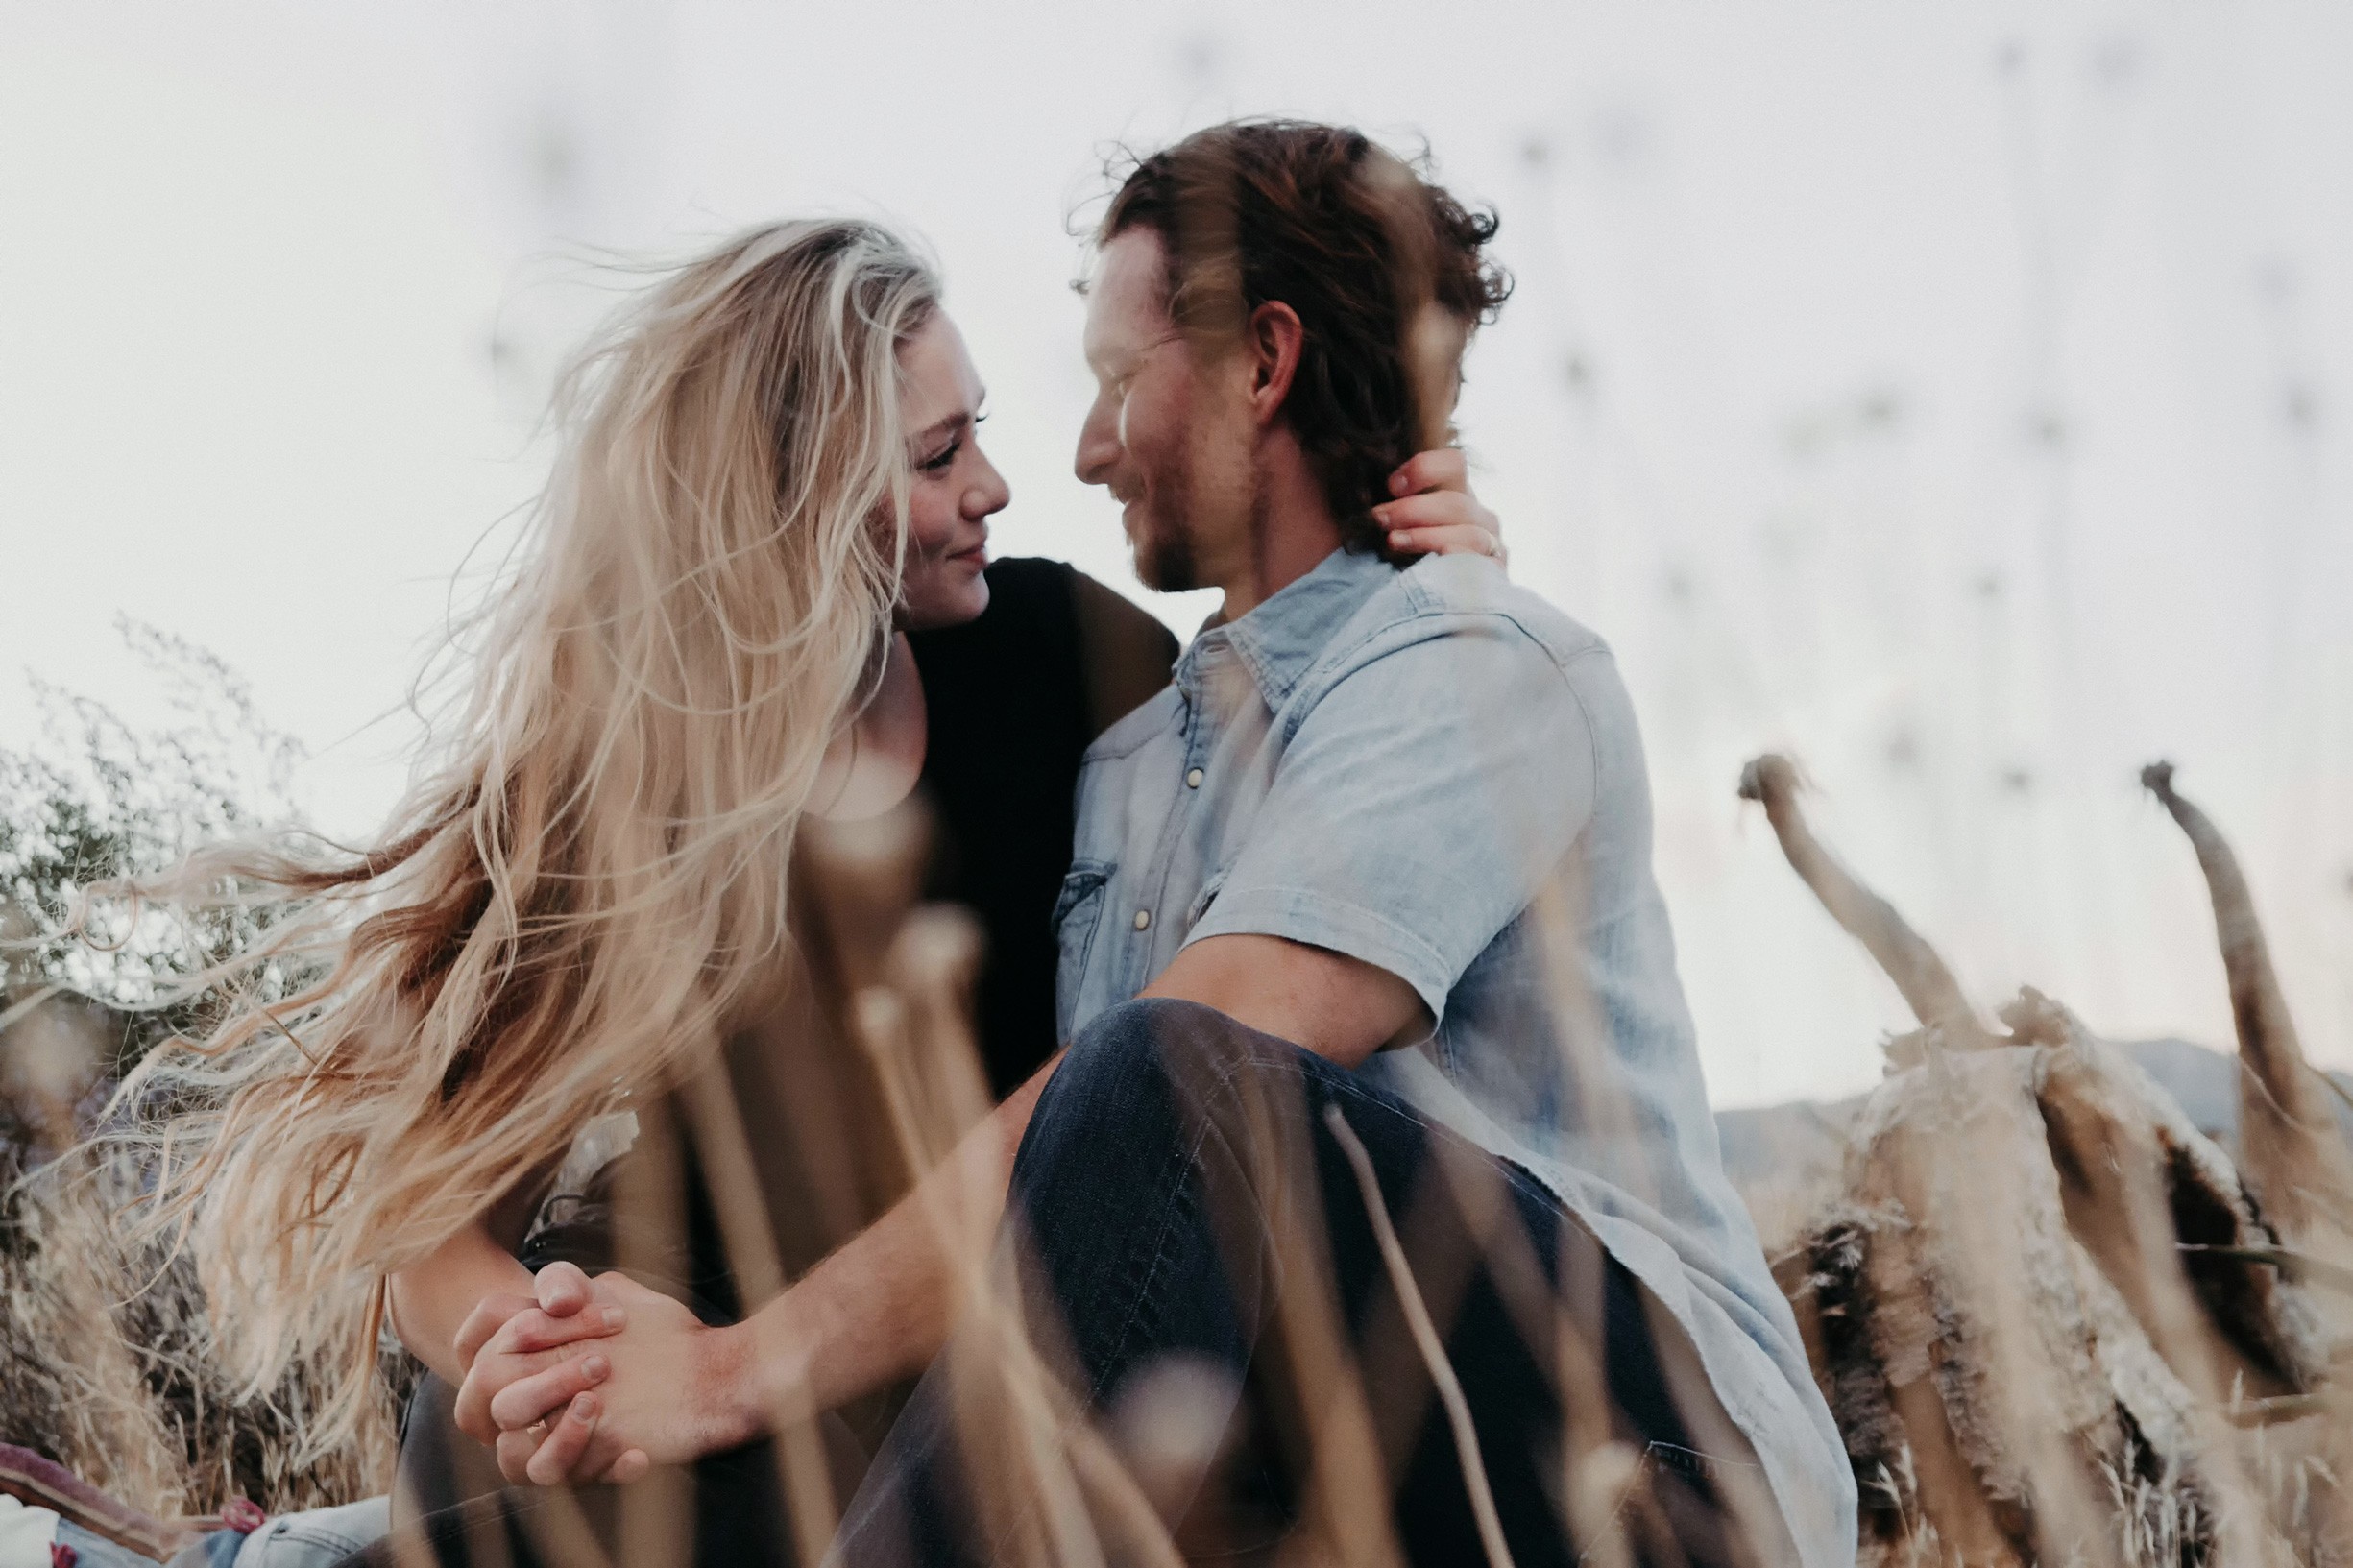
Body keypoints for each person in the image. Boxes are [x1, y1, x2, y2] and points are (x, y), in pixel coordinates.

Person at [460, 123, 1858, 1568]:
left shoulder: (1477, 661)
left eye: (1115, 383)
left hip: (1651, 1465)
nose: (1075, 451)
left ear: (1264, 362)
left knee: (1165, 1065)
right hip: (1296, 1449)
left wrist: (735, 1365)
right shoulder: (1129, 748)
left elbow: (1205, 1069)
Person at [96, 217, 1496, 1565]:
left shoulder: (1071, 653)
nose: (993, 487)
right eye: (940, 454)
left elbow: (1323, 837)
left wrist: (1428, 591)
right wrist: (540, 1351)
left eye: (978, 432)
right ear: (799, 502)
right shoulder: (617, 773)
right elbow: (433, 1225)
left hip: (946, 1350)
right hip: (669, 1365)